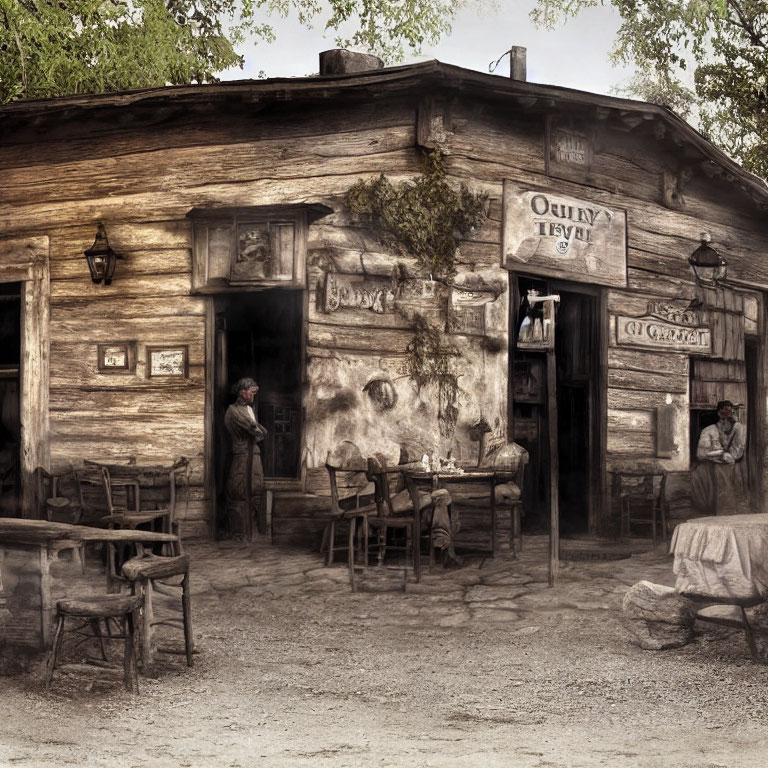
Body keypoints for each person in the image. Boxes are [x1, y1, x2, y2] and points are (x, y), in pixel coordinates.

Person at [224, 377, 268, 540]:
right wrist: (258, 430)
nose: (254, 395)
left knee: (256, 489)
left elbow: (261, 432)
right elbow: (257, 432)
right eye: (252, 392)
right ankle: (240, 532)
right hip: (242, 455)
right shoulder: (234, 411)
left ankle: (254, 531)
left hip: (253, 455)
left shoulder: (249, 409)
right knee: (239, 491)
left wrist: (259, 430)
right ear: (243, 392)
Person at [691, 400, 748, 516]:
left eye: (730, 414)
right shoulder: (709, 430)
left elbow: (738, 451)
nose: (727, 418)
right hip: (713, 468)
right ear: (718, 414)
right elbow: (700, 453)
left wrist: (730, 456)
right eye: (724, 414)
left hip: (733, 469)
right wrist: (720, 455)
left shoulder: (739, 428)